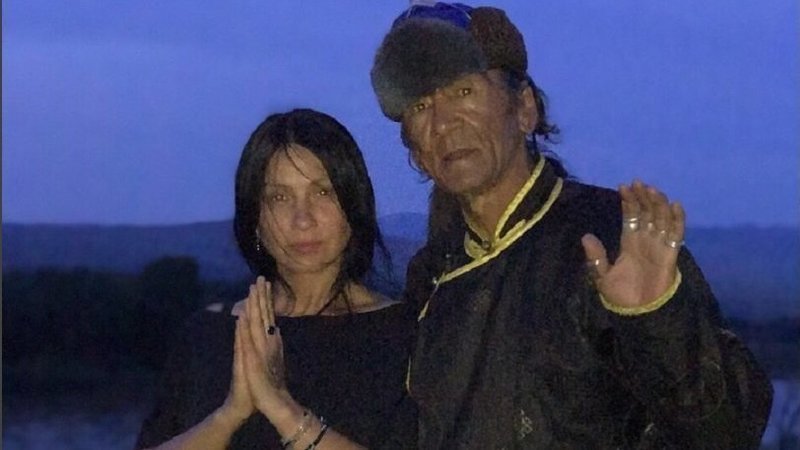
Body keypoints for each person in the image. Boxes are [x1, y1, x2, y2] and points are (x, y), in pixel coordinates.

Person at [370, 2, 773, 448]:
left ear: (524, 108)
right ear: (415, 150)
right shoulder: (431, 276)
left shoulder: (606, 238)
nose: (443, 123)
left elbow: (729, 430)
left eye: (463, 91)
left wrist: (657, 319)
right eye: (420, 105)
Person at [135, 109, 414, 449]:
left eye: (322, 192)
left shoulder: (404, 335)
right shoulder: (208, 335)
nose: (303, 219)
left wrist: (281, 407)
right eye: (279, 198)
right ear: (255, 220)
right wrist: (230, 414)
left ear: (354, 204)